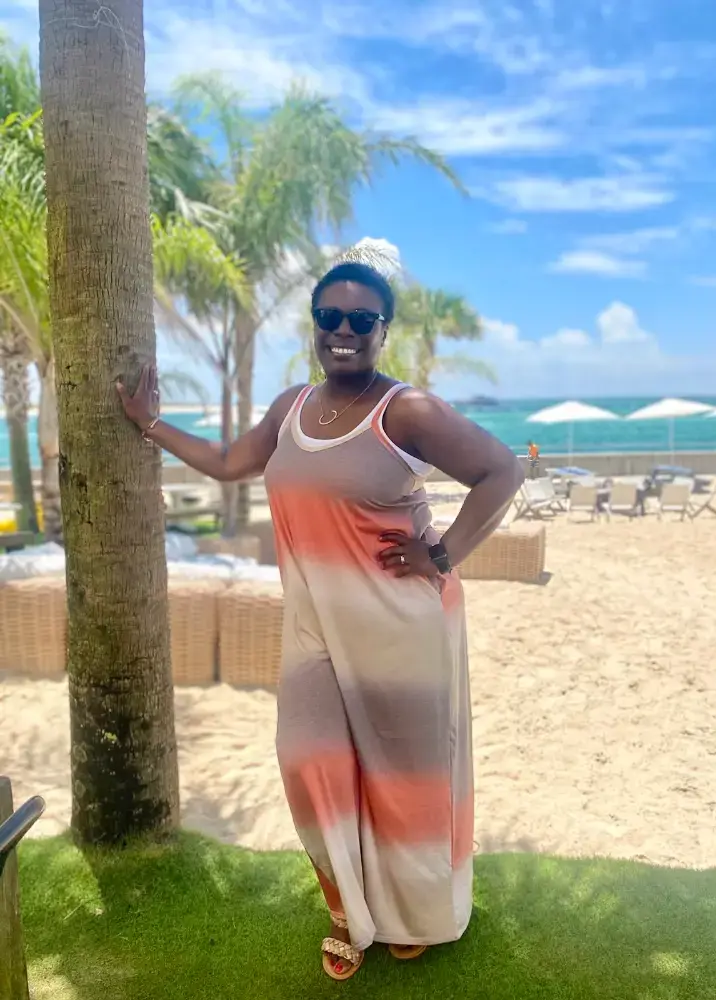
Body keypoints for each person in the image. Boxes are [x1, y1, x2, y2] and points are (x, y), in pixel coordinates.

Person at [118, 247, 523, 981]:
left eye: (360, 319)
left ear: (383, 330)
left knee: (404, 779)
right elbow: (229, 463)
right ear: (314, 325)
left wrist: (444, 553)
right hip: (313, 630)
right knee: (306, 762)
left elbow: (503, 469)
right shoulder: (291, 408)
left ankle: (416, 915)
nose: (343, 330)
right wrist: (151, 426)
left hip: (400, 627)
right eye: (328, 317)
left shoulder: (408, 410)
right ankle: (345, 908)